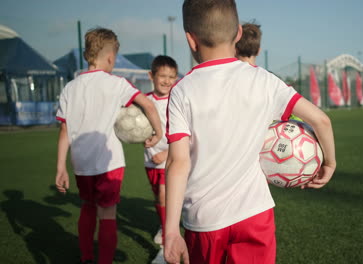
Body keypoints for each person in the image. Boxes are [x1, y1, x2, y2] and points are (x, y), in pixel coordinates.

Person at [164, 1, 336, 263]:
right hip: (255, 213)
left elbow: (178, 162)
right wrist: (330, 163)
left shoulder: (181, 91)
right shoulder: (265, 80)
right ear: (238, 34)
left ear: (190, 40)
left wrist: (171, 231)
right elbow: (321, 121)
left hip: (205, 219)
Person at [54, 27, 163, 264]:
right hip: (109, 162)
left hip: (81, 163)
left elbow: (64, 129)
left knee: (87, 207)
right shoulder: (116, 84)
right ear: (111, 57)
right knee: (107, 213)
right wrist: (158, 132)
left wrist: (61, 166)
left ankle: (86, 257)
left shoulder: (70, 88)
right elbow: (150, 106)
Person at [144, 55, 178, 263]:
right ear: (151, 76)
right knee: (159, 198)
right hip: (151, 160)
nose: (167, 81)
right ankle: (165, 225)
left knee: (166, 197)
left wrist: (167, 153)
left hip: (173, 159)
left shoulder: (177, 99)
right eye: (162, 76)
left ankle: (167, 245)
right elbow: (136, 130)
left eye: (172, 77)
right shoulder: (145, 102)